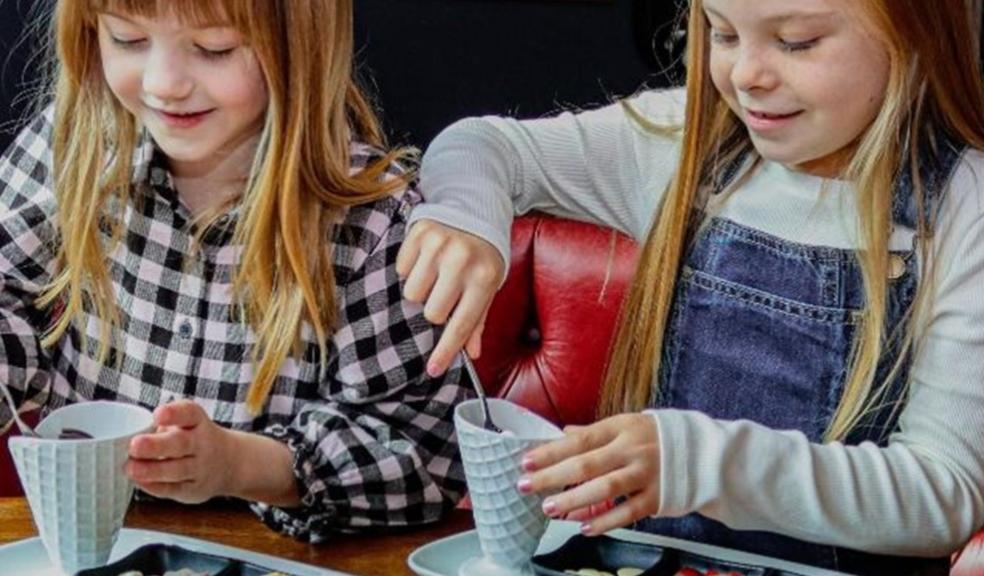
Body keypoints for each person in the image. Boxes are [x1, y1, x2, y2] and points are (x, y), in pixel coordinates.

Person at [396, 0, 984, 572]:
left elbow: (945, 495)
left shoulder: (966, 204)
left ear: (916, 30)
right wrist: (466, 217)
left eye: (797, 41)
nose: (747, 75)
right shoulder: (684, 142)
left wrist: (699, 462)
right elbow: (482, 145)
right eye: (722, 34)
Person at [0, 0, 468, 541]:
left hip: (279, 554)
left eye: (213, 48)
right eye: (128, 39)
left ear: (298, 46)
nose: (164, 82)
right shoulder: (72, 145)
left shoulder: (373, 221)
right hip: (85, 543)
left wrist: (239, 465)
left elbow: (423, 459)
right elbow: (14, 306)